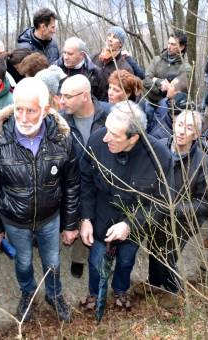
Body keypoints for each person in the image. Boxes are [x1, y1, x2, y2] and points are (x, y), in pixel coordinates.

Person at [0, 77, 79, 323]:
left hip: (50, 218)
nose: (22, 118)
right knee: (22, 262)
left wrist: (70, 223)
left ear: (45, 110)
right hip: (14, 220)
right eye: (18, 109)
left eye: (30, 111)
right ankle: (28, 292)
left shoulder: (63, 140)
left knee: (53, 262)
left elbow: (72, 184)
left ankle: (54, 295)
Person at [79, 101, 171, 312]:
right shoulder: (97, 140)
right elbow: (85, 181)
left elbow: (163, 202)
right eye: (107, 129)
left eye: (114, 135)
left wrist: (130, 224)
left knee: (126, 261)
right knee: (96, 261)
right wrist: (85, 218)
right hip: (101, 220)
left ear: (134, 137)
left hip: (135, 226)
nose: (105, 138)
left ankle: (120, 289)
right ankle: (95, 293)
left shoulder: (159, 157)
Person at [142, 110, 208, 307]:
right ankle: (154, 283)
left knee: (167, 255)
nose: (183, 131)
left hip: (184, 220)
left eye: (190, 128)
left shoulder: (204, 164)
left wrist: (176, 208)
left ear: (197, 135)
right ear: (174, 124)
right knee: (152, 248)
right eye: (180, 124)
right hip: (155, 212)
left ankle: (172, 289)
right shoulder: (158, 148)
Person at [59, 74, 110, 278]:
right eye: (61, 95)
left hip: (105, 181)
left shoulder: (109, 114)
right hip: (75, 181)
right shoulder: (60, 120)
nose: (61, 101)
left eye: (67, 96)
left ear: (85, 96)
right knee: (81, 217)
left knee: (99, 219)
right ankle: (78, 258)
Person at [143, 30, 192, 112]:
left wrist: (155, 79)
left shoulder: (186, 68)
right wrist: (161, 88)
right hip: (149, 102)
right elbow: (146, 79)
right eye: (168, 43)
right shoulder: (156, 60)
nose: (169, 47)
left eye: (173, 44)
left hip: (168, 108)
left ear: (181, 47)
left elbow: (172, 90)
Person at [92, 26, 134, 95]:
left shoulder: (125, 68)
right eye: (109, 35)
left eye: (114, 37)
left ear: (120, 44)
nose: (110, 39)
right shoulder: (94, 57)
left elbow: (127, 95)